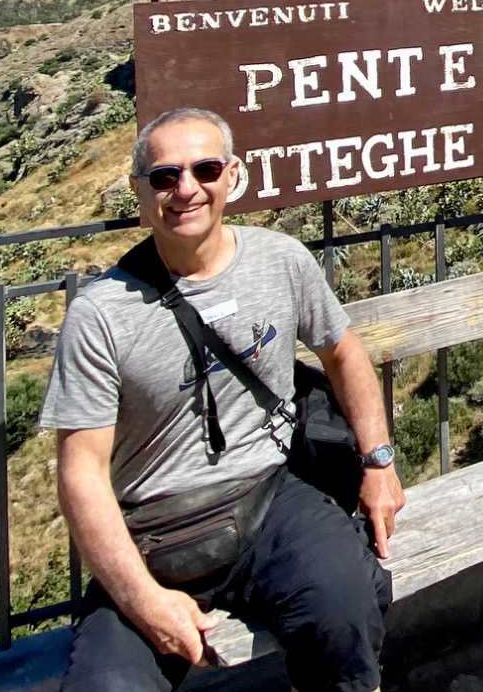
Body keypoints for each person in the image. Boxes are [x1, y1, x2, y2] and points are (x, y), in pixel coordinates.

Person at [39, 106, 404, 691]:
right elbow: (80, 472)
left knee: (343, 608)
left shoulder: (281, 261)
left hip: (270, 498)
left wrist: (379, 462)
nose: (186, 189)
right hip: (152, 533)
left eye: (205, 170)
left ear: (233, 176)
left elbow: (343, 352)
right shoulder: (100, 315)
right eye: (165, 176)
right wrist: (145, 601)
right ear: (140, 191)